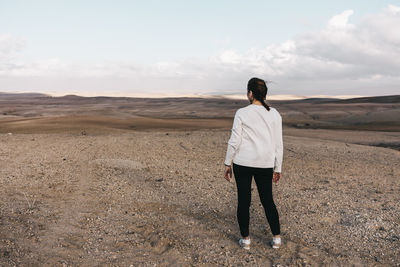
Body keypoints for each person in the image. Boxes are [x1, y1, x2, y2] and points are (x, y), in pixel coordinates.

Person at [224, 77, 283, 250]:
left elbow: (235, 141)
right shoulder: (274, 114)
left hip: (243, 163)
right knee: (268, 201)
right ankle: (277, 238)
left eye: (247, 91)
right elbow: (278, 144)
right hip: (265, 164)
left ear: (250, 93)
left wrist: (228, 163)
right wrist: (277, 167)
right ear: (264, 93)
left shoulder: (242, 113)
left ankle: (246, 240)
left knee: (244, 201)